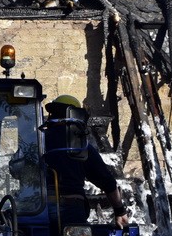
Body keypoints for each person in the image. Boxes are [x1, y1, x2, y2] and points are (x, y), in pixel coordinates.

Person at [43, 95, 129, 229]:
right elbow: (107, 181)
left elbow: (16, 169)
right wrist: (120, 211)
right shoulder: (80, 146)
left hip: (38, 208)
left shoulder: (37, 141)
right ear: (76, 115)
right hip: (71, 207)